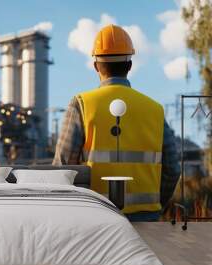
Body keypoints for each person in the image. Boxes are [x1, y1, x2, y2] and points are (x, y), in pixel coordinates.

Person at [53, 24, 180, 221]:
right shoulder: (155, 109)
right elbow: (172, 168)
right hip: (146, 217)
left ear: (96, 65)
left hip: (94, 217)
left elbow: (62, 170)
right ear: (129, 65)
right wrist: (155, 205)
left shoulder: (81, 104)